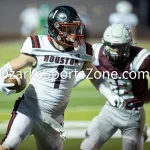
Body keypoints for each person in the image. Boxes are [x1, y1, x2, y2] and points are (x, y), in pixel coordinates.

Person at [0, 6, 123, 150]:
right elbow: (7, 69)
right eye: (69, 30)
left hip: (54, 119)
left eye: (76, 29)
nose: (74, 34)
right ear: (55, 29)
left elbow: (95, 77)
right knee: (10, 144)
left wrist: (110, 94)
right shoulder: (37, 46)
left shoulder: (83, 50)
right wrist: (4, 81)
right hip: (29, 110)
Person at [74, 23, 150, 150]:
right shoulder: (97, 52)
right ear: (104, 43)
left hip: (133, 114)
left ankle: (140, 133)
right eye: (112, 46)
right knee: (87, 146)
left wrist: (147, 96)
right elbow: (85, 67)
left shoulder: (140, 58)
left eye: (120, 47)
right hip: (110, 109)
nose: (116, 51)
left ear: (129, 45)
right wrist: (80, 73)